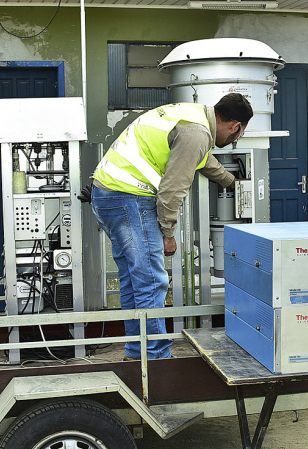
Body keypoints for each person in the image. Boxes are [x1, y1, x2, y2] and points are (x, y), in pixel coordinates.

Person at [90, 93, 252, 360]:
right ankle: (155, 358)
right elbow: (172, 189)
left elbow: (200, 159)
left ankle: (137, 351)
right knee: (152, 281)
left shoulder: (192, 115)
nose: (235, 140)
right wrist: (168, 232)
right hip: (130, 197)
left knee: (135, 280)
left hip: (108, 194)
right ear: (235, 127)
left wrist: (229, 181)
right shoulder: (197, 134)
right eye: (239, 135)